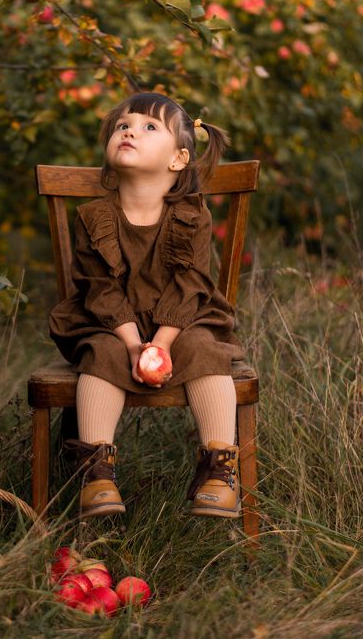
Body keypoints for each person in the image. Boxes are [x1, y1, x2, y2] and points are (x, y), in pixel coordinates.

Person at [48, 91, 247, 520]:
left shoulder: (190, 215)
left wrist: (161, 342)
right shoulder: (94, 217)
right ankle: (96, 471)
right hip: (111, 322)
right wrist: (135, 345)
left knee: (205, 349)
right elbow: (99, 289)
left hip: (181, 319)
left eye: (148, 127)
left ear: (177, 160)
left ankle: (218, 470)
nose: (130, 131)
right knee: (101, 353)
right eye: (123, 125)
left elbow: (189, 283)